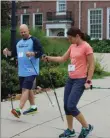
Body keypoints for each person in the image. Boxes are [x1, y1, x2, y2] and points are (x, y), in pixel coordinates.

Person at [42, 27, 95, 138]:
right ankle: (70, 130)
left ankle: (86, 127)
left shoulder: (86, 47)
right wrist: (49, 58)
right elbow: (62, 59)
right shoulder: (72, 46)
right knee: (66, 106)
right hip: (70, 79)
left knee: (71, 105)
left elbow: (92, 65)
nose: (69, 40)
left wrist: (88, 81)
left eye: (70, 38)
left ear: (77, 36)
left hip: (80, 80)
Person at [3, 24, 43, 118]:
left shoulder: (34, 40)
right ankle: (33, 107)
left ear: (28, 30)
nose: (23, 33)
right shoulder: (18, 42)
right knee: (27, 89)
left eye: (24, 31)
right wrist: (6, 52)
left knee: (25, 89)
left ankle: (19, 109)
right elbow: (13, 54)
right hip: (22, 71)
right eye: (21, 32)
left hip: (32, 70)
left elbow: (41, 52)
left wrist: (32, 53)